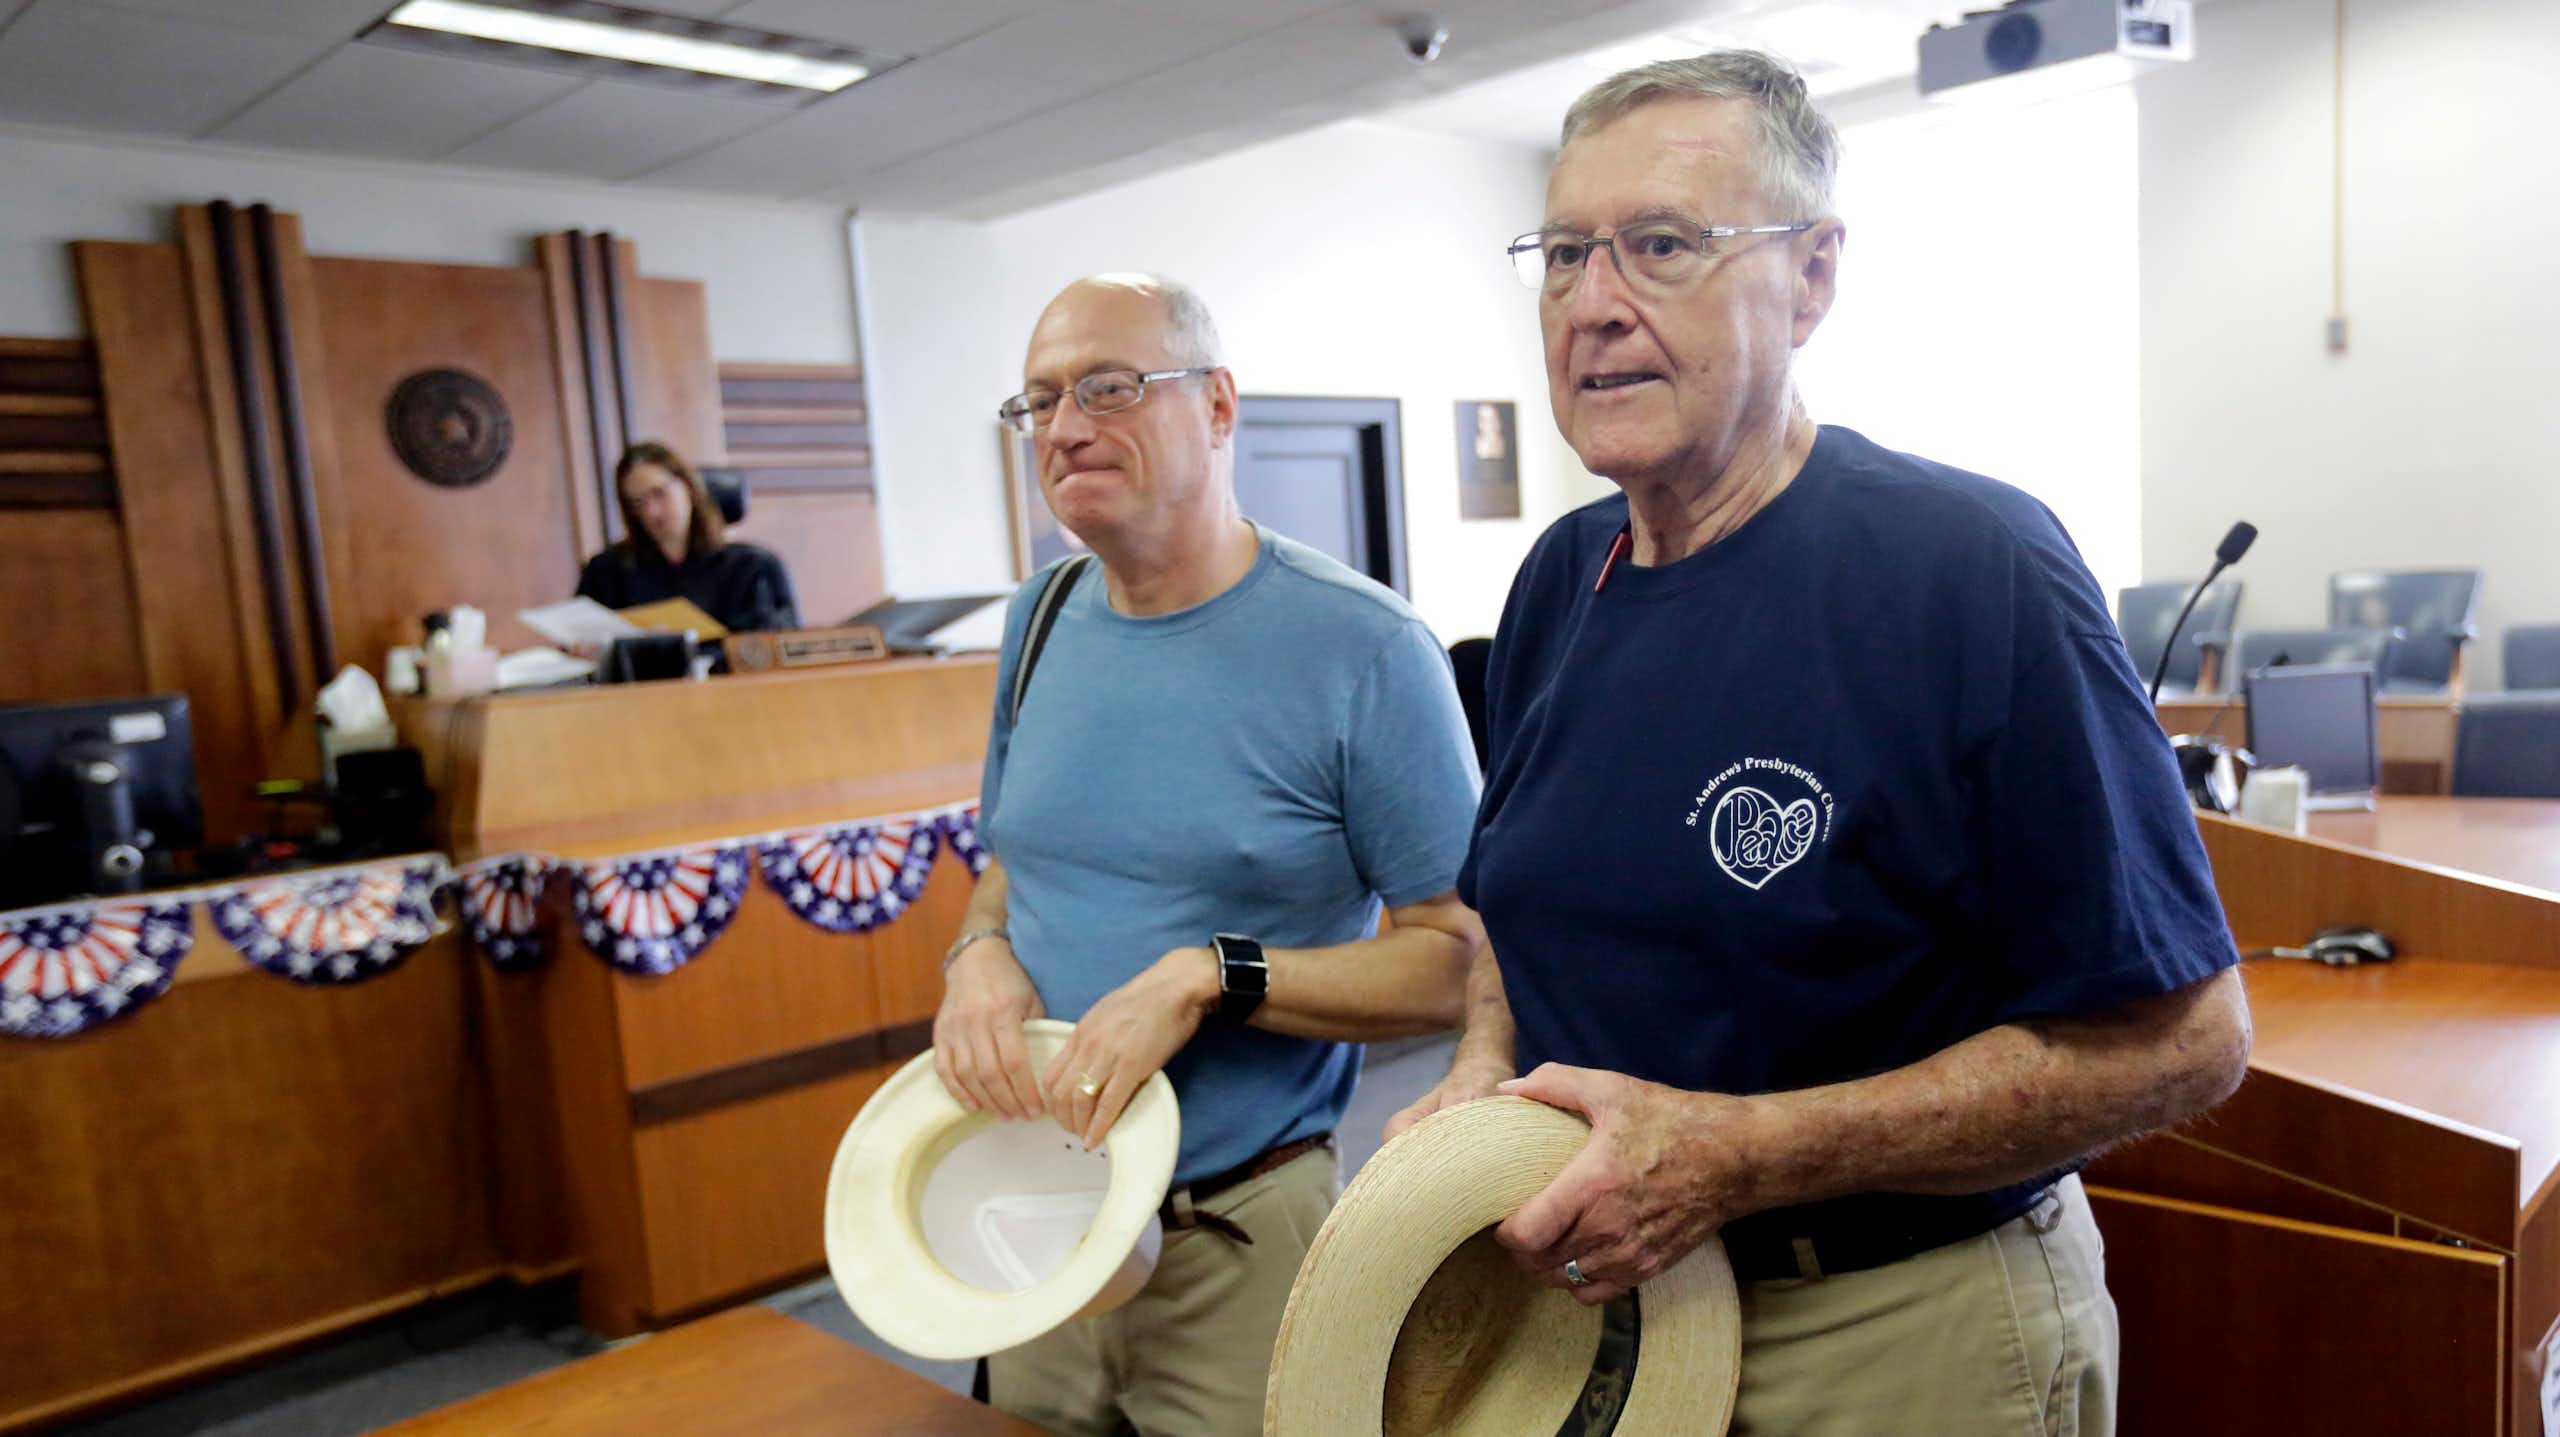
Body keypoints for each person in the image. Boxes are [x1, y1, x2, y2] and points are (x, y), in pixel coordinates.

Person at [1388, 52, 2252, 1436]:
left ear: (1812, 275)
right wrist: (1481, 1075)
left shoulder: (1974, 568)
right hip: (1607, 1320)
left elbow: (2189, 1041)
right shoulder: (1560, 579)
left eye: (1660, 245)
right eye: (1563, 255)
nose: (1593, 303)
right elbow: (1507, 916)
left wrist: (1738, 1154)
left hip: (1892, 1327)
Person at [936, 273, 1484, 1437]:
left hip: (1235, 1238)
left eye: (1109, 387)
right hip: (1031, 1206)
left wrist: (1211, 975)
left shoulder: (1366, 649)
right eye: (1039, 402)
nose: (1066, 426)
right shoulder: (1035, 621)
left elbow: (1458, 962)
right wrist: (977, 950)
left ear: (1221, 405)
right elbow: (1012, 862)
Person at [573, 441, 799, 633]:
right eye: (637, 502)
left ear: (688, 486)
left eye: (658, 493)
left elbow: (777, 646)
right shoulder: (606, 572)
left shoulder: (753, 567)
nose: (651, 511)